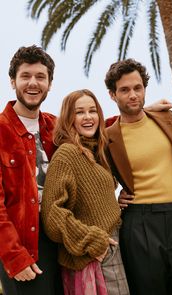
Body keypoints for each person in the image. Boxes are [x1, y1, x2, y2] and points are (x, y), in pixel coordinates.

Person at [104, 58, 172, 295]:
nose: (133, 95)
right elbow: (100, 179)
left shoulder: (166, 119)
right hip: (140, 224)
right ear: (112, 95)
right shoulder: (108, 137)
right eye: (125, 90)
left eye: (138, 88)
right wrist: (115, 198)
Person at [41, 89, 130, 295]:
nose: (88, 117)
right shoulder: (67, 153)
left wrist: (117, 200)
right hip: (94, 256)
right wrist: (93, 240)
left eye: (92, 111)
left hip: (110, 250)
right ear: (68, 118)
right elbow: (52, 215)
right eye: (79, 112)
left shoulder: (97, 152)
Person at [0, 45, 63, 295]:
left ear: (49, 83)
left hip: (61, 244)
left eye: (40, 77)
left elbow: (96, 132)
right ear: (12, 81)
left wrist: (140, 113)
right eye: (25, 76)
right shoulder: (1, 131)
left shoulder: (56, 126)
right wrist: (14, 256)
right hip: (24, 247)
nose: (33, 83)